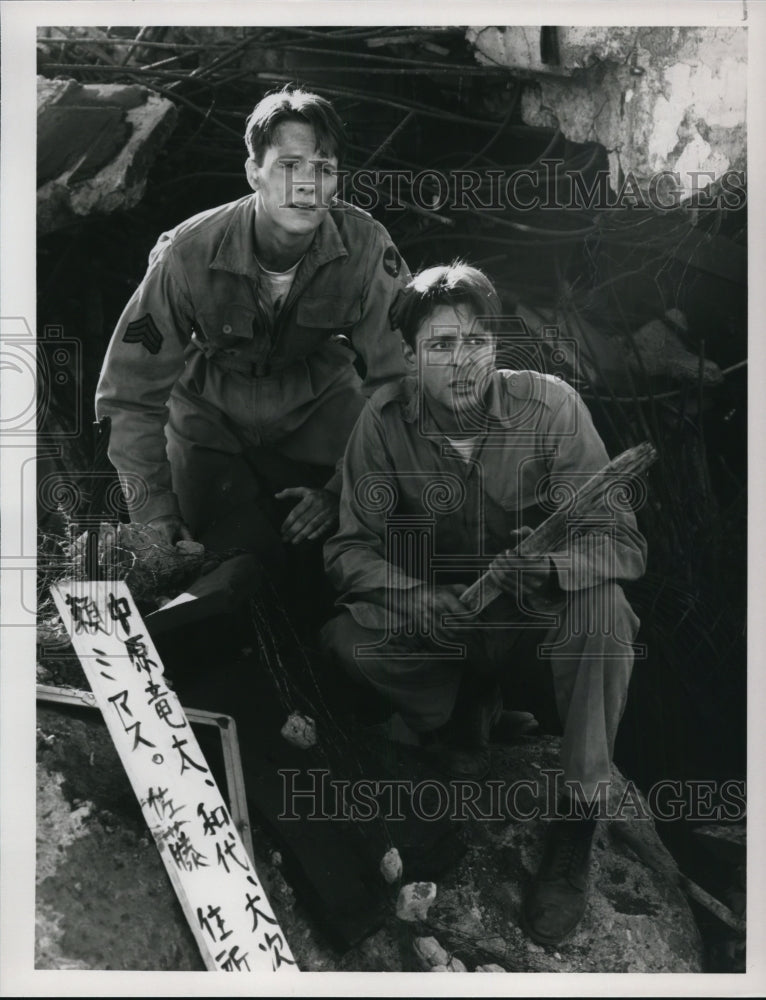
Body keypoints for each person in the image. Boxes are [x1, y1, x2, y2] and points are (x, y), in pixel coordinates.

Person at [320, 263, 648, 945]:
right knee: (347, 644)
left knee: (606, 610)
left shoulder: (552, 408)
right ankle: (464, 711)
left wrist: (553, 570)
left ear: (497, 346)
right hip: (448, 625)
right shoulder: (381, 424)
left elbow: (623, 542)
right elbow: (347, 551)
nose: (462, 361)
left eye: (477, 341)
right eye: (441, 345)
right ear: (409, 358)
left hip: (532, 629)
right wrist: (413, 598)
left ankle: (578, 816)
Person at [96, 86, 409, 585]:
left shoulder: (368, 247)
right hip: (210, 406)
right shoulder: (188, 252)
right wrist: (153, 510)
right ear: (253, 173)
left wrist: (341, 487)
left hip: (316, 398)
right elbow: (129, 395)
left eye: (324, 169)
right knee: (196, 554)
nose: (307, 185)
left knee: (379, 520)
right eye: (288, 166)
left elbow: (399, 381)